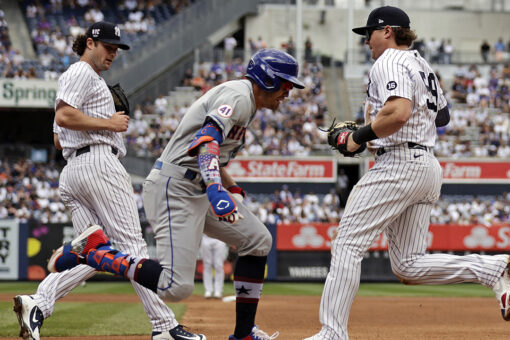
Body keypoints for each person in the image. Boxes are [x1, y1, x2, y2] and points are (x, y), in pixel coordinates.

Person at [47, 48, 305, 340]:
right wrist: (217, 189)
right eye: (285, 85)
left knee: (258, 240)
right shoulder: (239, 95)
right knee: (175, 287)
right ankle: (94, 253)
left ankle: (243, 334)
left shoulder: (246, 102)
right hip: (176, 187)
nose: (288, 93)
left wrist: (229, 186)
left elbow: (213, 154)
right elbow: (206, 141)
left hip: (195, 186)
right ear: (267, 80)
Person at [305, 6, 510, 340]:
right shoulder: (420, 62)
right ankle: (492, 268)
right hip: (426, 165)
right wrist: (378, 128)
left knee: (347, 245)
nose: (366, 41)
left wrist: (356, 137)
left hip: (399, 164)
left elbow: (398, 113)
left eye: (368, 33)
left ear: (387, 31)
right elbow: (441, 117)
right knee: (407, 264)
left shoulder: (389, 60)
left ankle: (332, 333)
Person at [12, 21, 204, 340]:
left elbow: (59, 139)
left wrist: (96, 122)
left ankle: (39, 303)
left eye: (116, 49)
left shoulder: (85, 80)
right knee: (131, 245)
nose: (113, 53)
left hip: (74, 169)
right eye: (108, 47)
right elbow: (63, 117)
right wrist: (109, 123)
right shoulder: (81, 72)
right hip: (99, 163)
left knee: (96, 251)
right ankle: (165, 327)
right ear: (90, 43)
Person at [200, 234, 228, 299]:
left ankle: (218, 290)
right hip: (206, 237)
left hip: (220, 237)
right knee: (207, 265)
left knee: (219, 265)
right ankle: (208, 290)